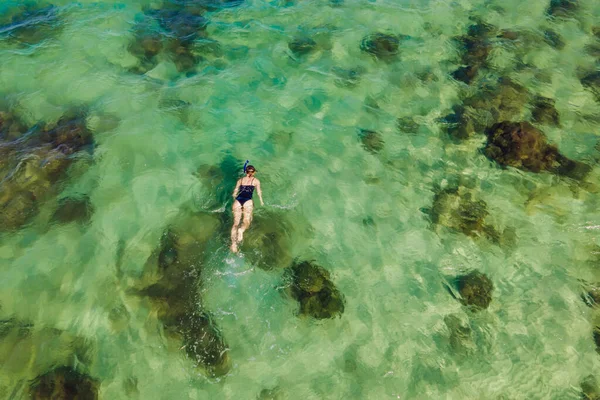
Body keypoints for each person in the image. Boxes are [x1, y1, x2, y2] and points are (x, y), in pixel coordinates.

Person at [230, 165, 263, 253]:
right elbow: (259, 192)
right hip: (248, 201)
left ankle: (233, 244)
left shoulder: (240, 180)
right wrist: (261, 201)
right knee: (246, 221)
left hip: (238, 201)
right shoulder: (255, 181)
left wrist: (234, 198)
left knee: (235, 223)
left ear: (246, 172)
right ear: (254, 172)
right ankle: (241, 230)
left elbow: (235, 192)